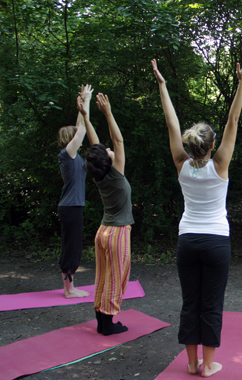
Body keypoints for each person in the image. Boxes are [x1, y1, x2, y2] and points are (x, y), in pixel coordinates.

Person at [152, 54, 242, 377]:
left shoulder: (182, 165)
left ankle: (192, 363)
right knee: (210, 303)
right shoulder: (219, 164)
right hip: (216, 242)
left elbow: (171, 123)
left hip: (188, 240)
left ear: (192, 146)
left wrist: (162, 84)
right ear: (210, 147)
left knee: (190, 302)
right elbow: (232, 122)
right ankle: (208, 366)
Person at [80, 92, 134, 336]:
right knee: (116, 277)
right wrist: (108, 113)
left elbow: (96, 146)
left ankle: (101, 322)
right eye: (108, 151)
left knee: (102, 276)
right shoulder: (115, 172)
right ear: (109, 160)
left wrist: (86, 116)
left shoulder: (99, 173)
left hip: (102, 232)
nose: (111, 149)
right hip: (118, 233)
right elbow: (118, 141)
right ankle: (109, 325)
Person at [57, 84, 93, 298]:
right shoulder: (66, 154)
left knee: (74, 246)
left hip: (73, 207)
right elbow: (83, 130)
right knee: (71, 248)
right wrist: (87, 100)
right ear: (70, 140)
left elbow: (81, 125)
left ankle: (69, 287)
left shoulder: (73, 155)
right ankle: (69, 290)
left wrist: (81, 105)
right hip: (70, 208)